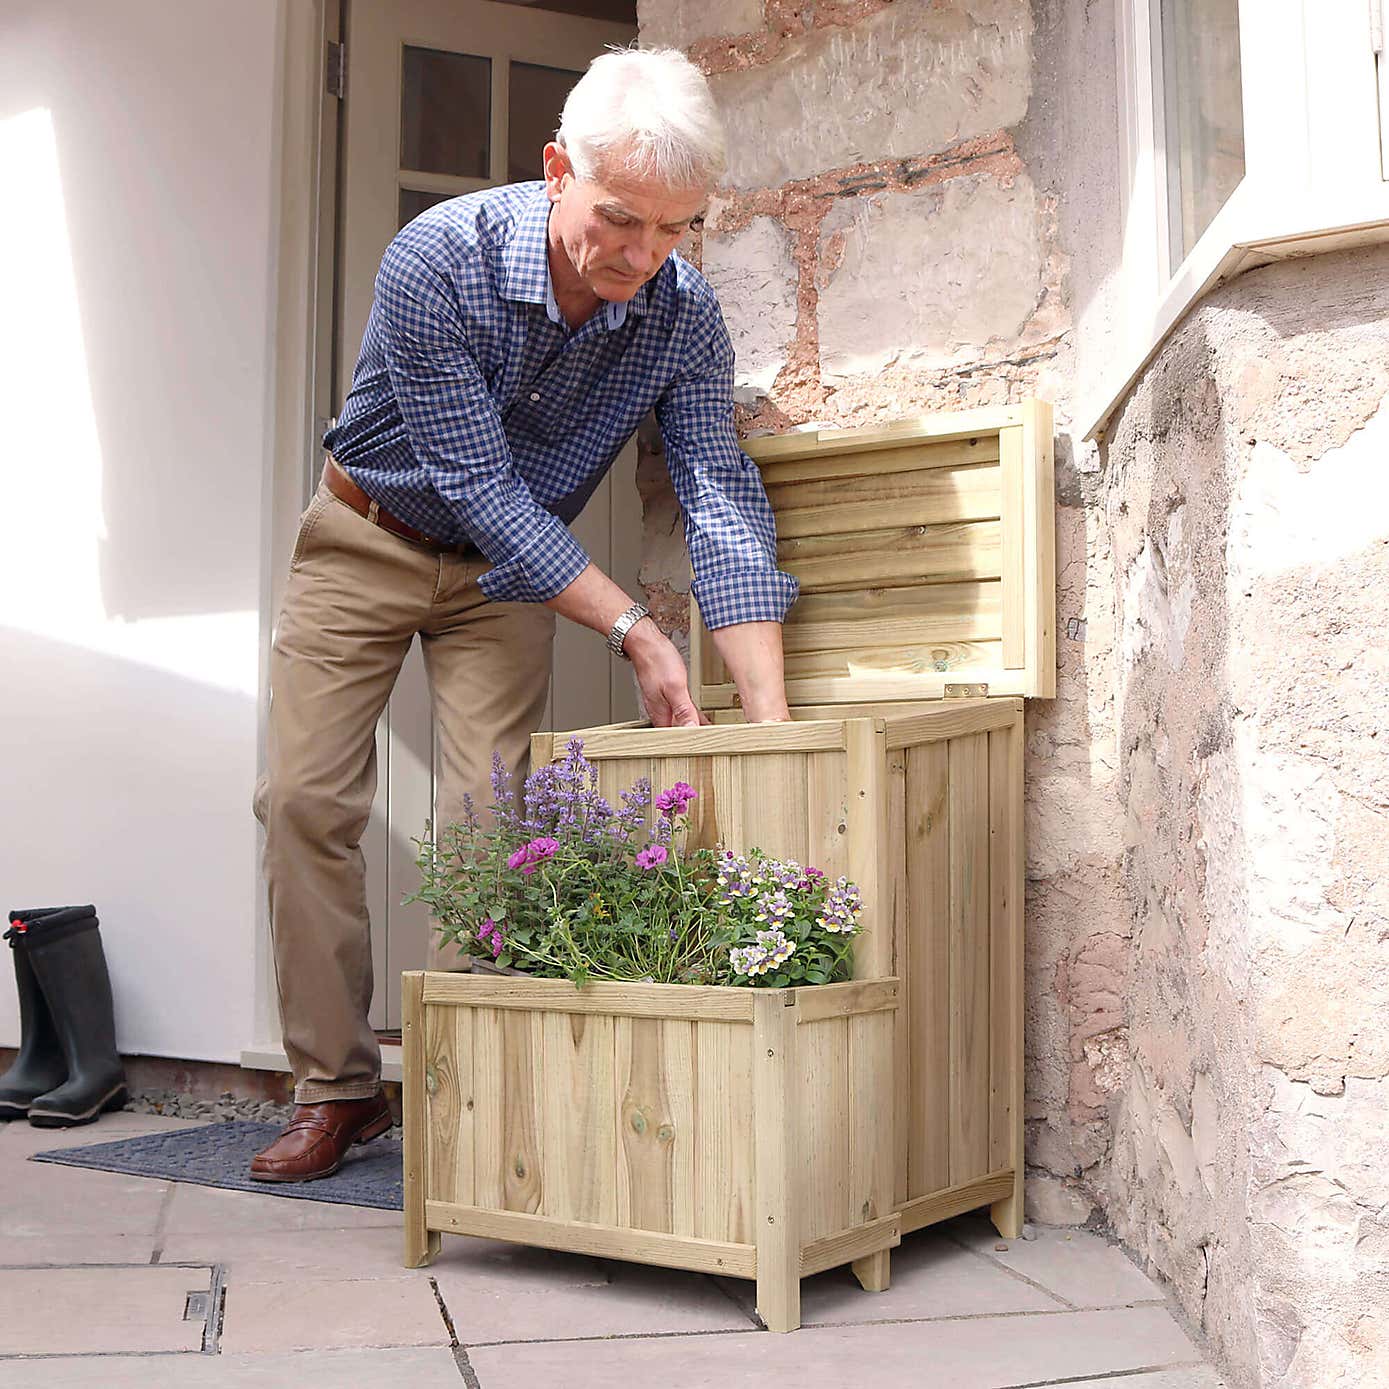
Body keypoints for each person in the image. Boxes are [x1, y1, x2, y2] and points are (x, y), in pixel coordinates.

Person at [249, 47, 798, 1182]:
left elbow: (716, 487)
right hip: (369, 535)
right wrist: (636, 633)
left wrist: (770, 712)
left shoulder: (679, 315)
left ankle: (463, 1095)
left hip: (508, 586)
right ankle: (339, 1090)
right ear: (558, 169)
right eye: (621, 220)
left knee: (489, 828)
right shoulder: (437, 259)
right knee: (303, 800)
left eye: (675, 230)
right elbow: (480, 486)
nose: (644, 257)